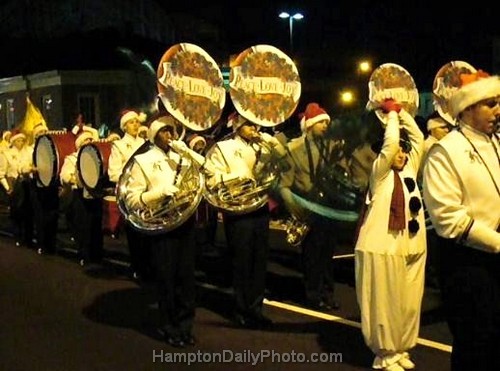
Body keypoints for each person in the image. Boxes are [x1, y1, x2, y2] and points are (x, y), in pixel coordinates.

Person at [423, 71, 500, 371]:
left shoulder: (496, 142)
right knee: (475, 346)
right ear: (467, 109)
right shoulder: (446, 151)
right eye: (490, 104)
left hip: (494, 256)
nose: (498, 110)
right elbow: (448, 219)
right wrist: (496, 241)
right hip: (469, 264)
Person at [355, 99, 426, 371]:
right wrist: (392, 117)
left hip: (412, 245)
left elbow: (417, 137)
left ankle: (401, 349)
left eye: (404, 152)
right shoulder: (380, 173)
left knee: (408, 304)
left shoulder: (410, 169)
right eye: (398, 151)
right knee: (384, 304)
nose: (402, 155)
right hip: (381, 246)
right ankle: (384, 355)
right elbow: (391, 143)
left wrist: (404, 112)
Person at [123, 116, 205, 347]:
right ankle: (169, 326)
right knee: (167, 278)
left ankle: (186, 326)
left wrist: (189, 153)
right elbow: (133, 199)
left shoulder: (184, 157)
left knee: (187, 278)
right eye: (164, 131)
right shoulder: (142, 161)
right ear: (154, 135)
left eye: (172, 130)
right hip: (162, 227)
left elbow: (202, 176)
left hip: (185, 223)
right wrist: (158, 194)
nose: (170, 135)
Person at [204, 112, 286, 329]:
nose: (254, 129)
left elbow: (283, 161)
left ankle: (256, 309)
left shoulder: (262, 146)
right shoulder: (223, 148)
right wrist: (237, 178)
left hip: (260, 207)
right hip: (238, 209)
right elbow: (211, 176)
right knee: (241, 261)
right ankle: (241, 309)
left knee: (259, 260)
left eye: (256, 125)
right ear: (238, 126)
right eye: (249, 125)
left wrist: (272, 143)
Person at [278, 102, 345, 312]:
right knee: (312, 256)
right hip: (308, 208)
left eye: (327, 122)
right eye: (321, 123)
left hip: (328, 207)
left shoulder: (333, 146)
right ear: (309, 125)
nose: (326, 126)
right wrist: (295, 209)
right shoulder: (294, 149)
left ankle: (327, 292)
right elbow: (285, 184)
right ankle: (313, 294)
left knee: (327, 254)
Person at [107, 110, 150, 280]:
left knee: (148, 230)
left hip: (147, 192)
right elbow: (113, 173)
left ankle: (149, 265)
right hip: (131, 192)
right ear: (124, 126)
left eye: (136, 122)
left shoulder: (146, 143)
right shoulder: (118, 146)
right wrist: (132, 177)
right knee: (134, 232)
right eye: (131, 122)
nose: (135, 125)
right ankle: (137, 267)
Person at [60, 126, 103, 268]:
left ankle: (97, 254)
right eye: (86, 140)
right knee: (83, 225)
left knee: (96, 225)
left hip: (94, 193)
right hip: (79, 195)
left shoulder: (96, 156)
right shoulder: (72, 159)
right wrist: (74, 178)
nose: (90, 142)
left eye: (91, 140)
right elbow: (64, 176)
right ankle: (84, 254)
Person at [0, 129, 35, 247]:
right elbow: (1, 173)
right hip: (14, 185)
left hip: (27, 184)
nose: (21, 142)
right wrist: (7, 188)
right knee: (17, 212)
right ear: (13, 142)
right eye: (18, 140)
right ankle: (18, 235)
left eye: (22, 140)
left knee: (29, 212)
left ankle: (28, 237)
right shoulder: (6, 154)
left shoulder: (29, 152)